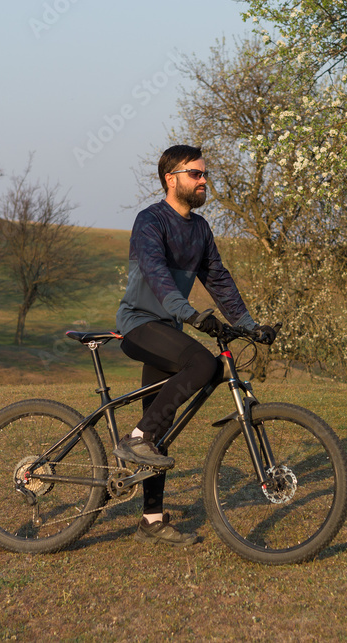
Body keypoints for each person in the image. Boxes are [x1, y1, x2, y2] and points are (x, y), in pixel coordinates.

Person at [114, 144, 276, 546]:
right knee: (203, 364)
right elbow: (156, 274)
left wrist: (249, 325)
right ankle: (134, 438)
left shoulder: (200, 229)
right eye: (196, 174)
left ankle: (151, 520)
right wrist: (189, 314)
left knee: (159, 424)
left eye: (205, 174)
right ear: (171, 178)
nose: (204, 180)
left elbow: (218, 279)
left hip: (169, 329)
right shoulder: (150, 221)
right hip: (140, 325)